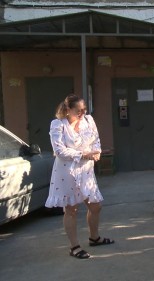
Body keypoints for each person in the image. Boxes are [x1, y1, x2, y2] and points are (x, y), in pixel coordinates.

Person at [45, 94, 114, 259]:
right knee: (71, 209)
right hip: (67, 172)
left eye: (84, 109)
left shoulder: (89, 120)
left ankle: (94, 237)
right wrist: (85, 154)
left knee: (95, 206)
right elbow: (59, 151)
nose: (82, 113)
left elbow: (95, 140)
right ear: (68, 110)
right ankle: (74, 246)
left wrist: (96, 152)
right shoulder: (58, 125)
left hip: (86, 171)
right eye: (78, 110)